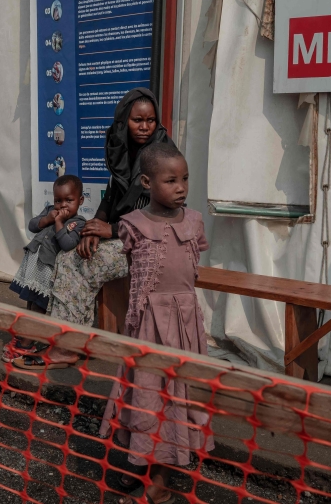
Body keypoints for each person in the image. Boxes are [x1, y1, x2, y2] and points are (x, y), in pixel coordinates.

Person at [22, 88, 172, 368]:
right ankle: (67, 339)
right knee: (69, 255)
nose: (144, 127)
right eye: (137, 120)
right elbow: (113, 195)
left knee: (77, 263)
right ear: (123, 120)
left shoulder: (162, 156)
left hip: (151, 241)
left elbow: (158, 214)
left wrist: (111, 230)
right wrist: (93, 227)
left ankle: (68, 346)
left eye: (150, 120)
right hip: (123, 232)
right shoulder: (122, 149)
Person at [98, 142, 213, 504]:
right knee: (146, 394)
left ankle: (161, 480)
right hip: (147, 327)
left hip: (185, 329)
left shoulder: (194, 222)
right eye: (170, 180)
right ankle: (144, 463)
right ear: (147, 182)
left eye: (185, 179)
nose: (181, 187)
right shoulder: (133, 225)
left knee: (176, 397)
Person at [3, 175, 85, 364]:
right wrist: (48, 218)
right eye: (58, 200)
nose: (62, 206)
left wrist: (58, 224)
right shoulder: (50, 211)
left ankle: (26, 343)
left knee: (39, 305)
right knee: (31, 302)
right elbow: (33, 225)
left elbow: (67, 244)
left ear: (80, 201)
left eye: (69, 201)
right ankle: (26, 336)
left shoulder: (78, 223)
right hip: (34, 265)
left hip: (47, 271)